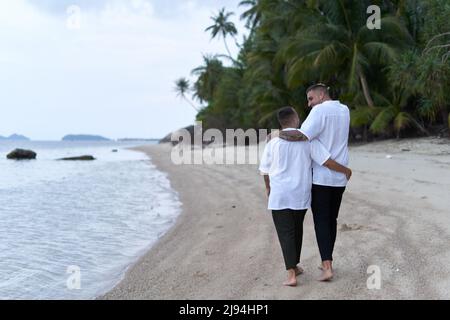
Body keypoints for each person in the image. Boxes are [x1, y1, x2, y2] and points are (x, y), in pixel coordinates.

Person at [259, 106, 351, 287]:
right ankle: (295, 266)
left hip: (279, 194)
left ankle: (292, 274)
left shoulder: (273, 143)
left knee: (286, 232)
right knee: (297, 228)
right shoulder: (307, 141)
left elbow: (264, 170)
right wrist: (345, 170)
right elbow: (327, 161)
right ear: (295, 119)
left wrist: (268, 187)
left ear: (281, 123)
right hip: (300, 194)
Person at [279, 84, 351, 281]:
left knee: (321, 221)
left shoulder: (319, 111)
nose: (309, 104)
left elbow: (301, 135)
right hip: (340, 178)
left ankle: (327, 267)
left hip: (321, 177)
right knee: (332, 220)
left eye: (310, 98)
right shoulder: (344, 110)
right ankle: (326, 261)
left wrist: (277, 134)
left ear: (321, 95)